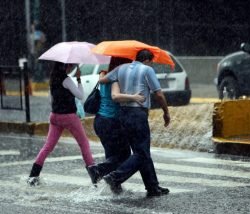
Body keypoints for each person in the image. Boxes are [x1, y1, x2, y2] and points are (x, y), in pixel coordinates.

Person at [99, 49, 171, 197]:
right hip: (138, 115)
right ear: (148, 60)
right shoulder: (147, 70)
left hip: (123, 115)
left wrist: (102, 73)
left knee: (142, 151)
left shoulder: (121, 68)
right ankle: (114, 177)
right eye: (152, 62)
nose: (152, 65)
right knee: (142, 153)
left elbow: (103, 80)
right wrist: (166, 112)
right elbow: (159, 93)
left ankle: (153, 187)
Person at [27, 62, 99, 186]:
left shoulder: (53, 79)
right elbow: (80, 95)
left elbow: (50, 99)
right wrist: (78, 79)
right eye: (69, 65)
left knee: (48, 146)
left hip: (55, 116)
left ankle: (33, 175)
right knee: (84, 144)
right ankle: (93, 174)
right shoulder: (67, 80)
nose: (70, 67)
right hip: (69, 116)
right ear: (65, 66)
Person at [93, 57, 145, 185]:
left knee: (111, 155)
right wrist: (134, 97)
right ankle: (98, 170)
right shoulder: (115, 78)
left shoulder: (104, 74)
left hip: (100, 120)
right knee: (125, 155)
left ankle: (113, 184)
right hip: (111, 122)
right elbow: (115, 96)